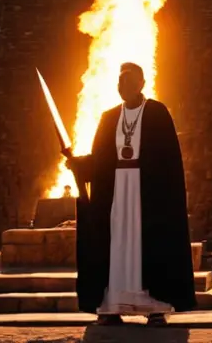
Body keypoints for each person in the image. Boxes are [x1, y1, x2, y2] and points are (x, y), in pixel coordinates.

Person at [65, 62, 196, 326]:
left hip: (148, 194)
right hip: (114, 194)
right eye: (119, 81)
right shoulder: (109, 117)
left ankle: (155, 307)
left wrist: (163, 197)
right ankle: (112, 307)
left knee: (148, 245)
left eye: (128, 81)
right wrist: (78, 164)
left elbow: (168, 161)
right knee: (116, 246)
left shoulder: (157, 113)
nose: (122, 86)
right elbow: (101, 160)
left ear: (141, 84)